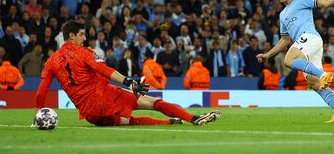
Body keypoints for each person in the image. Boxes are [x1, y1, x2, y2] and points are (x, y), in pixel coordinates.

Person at [34, 20, 220, 126]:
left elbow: (41, 92)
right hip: (104, 96)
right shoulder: (84, 53)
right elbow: (104, 70)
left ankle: (171, 123)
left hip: (90, 114)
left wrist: (38, 116)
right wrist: (128, 81)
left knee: (127, 122)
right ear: (71, 36)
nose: (85, 38)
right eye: (82, 34)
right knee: (154, 102)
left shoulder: (51, 60)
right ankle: (194, 118)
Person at [256, 0, 334, 123]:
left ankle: (323, 74)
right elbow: (285, 40)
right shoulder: (282, 15)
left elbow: (324, 3)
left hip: (310, 37)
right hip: (307, 45)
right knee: (314, 83)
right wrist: (267, 55)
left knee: (289, 60)